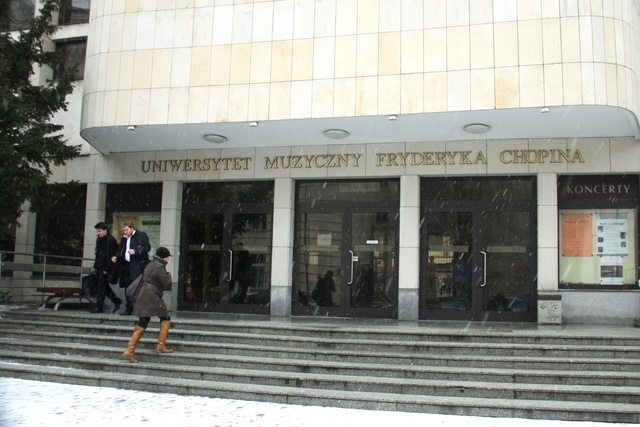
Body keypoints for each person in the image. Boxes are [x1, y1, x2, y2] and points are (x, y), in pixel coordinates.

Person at [122, 246, 174, 363]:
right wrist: (168, 273)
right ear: (164, 257)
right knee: (165, 318)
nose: (168, 259)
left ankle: (130, 350)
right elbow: (167, 284)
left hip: (145, 295)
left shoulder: (151, 264)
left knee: (144, 321)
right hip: (152, 296)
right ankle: (159, 345)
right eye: (167, 257)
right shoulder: (160, 267)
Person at [111, 220, 151, 315]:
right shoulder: (124, 238)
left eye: (127, 230)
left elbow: (147, 247)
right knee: (128, 287)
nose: (125, 232)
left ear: (132, 228)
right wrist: (116, 256)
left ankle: (139, 307)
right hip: (126, 265)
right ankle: (129, 307)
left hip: (137, 265)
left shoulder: (141, 235)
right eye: (124, 230)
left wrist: (136, 251)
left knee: (137, 286)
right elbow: (121, 249)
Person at [89, 222, 122, 313]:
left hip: (106, 267)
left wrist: (107, 269)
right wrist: (95, 266)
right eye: (97, 231)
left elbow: (110, 255)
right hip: (100, 266)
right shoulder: (99, 240)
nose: (98, 233)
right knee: (102, 286)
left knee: (101, 286)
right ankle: (115, 300)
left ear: (105, 230)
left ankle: (100, 305)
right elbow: (98, 254)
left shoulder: (111, 240)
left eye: (100, 231)